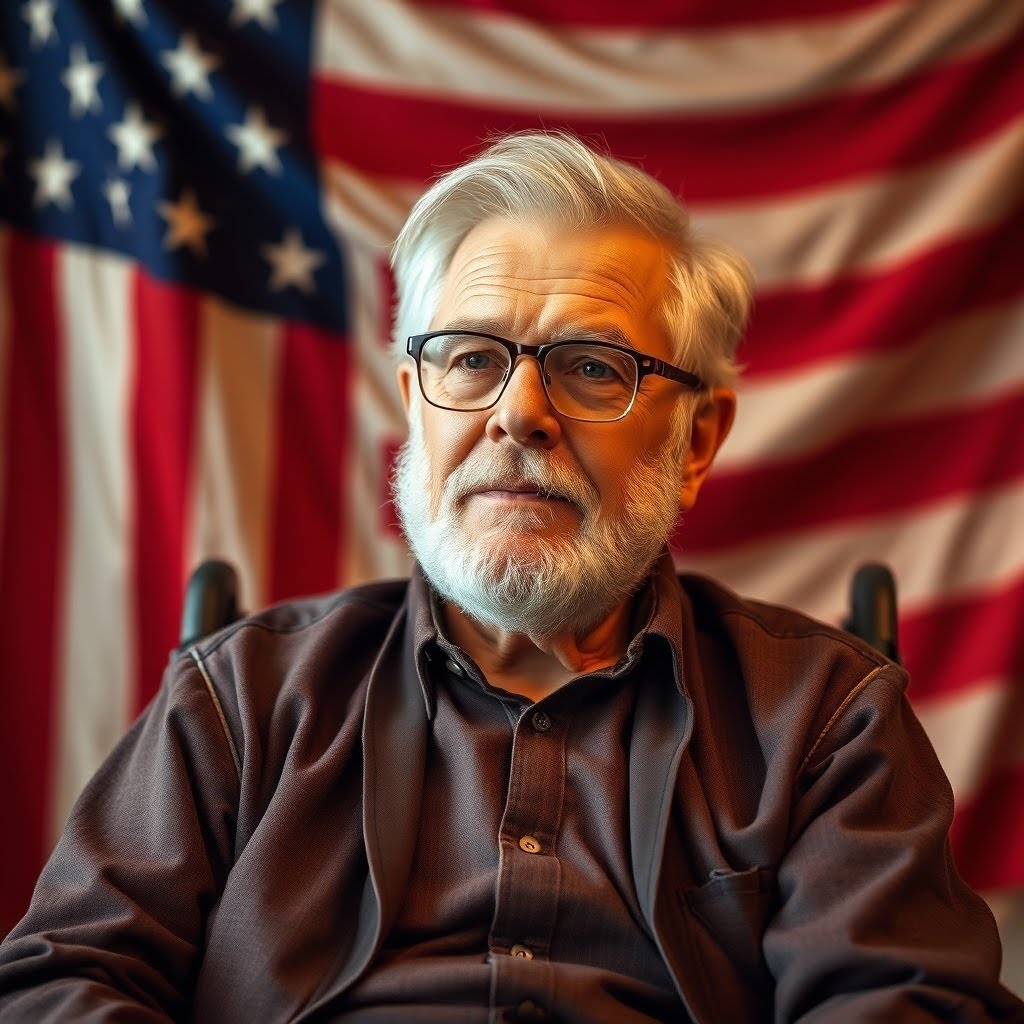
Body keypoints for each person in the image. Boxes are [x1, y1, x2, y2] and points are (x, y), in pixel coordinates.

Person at [0, 132, 1020, 1024]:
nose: (517, 412)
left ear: (697, 436)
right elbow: (60, 981)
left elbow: (903, 1002)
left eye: (589, 368)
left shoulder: (823, 722)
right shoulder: (238, 702)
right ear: (415, 401)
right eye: (471, 358)